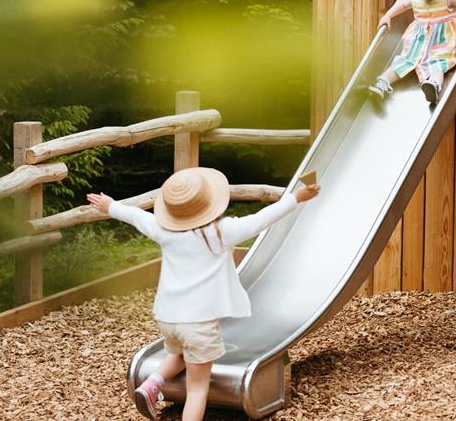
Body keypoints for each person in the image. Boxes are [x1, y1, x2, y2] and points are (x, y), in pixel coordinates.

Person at [86, 167, 321, 421]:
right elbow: (261, 219)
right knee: (197, 389)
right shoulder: (221, 232)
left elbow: (135, 216)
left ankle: (151, 384)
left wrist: (110, 205)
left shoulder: (163, 230)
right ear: (209, 204)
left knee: (179, 355)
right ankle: (157, 391)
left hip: (168, 318)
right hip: (198, 324)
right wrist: (296, 197)